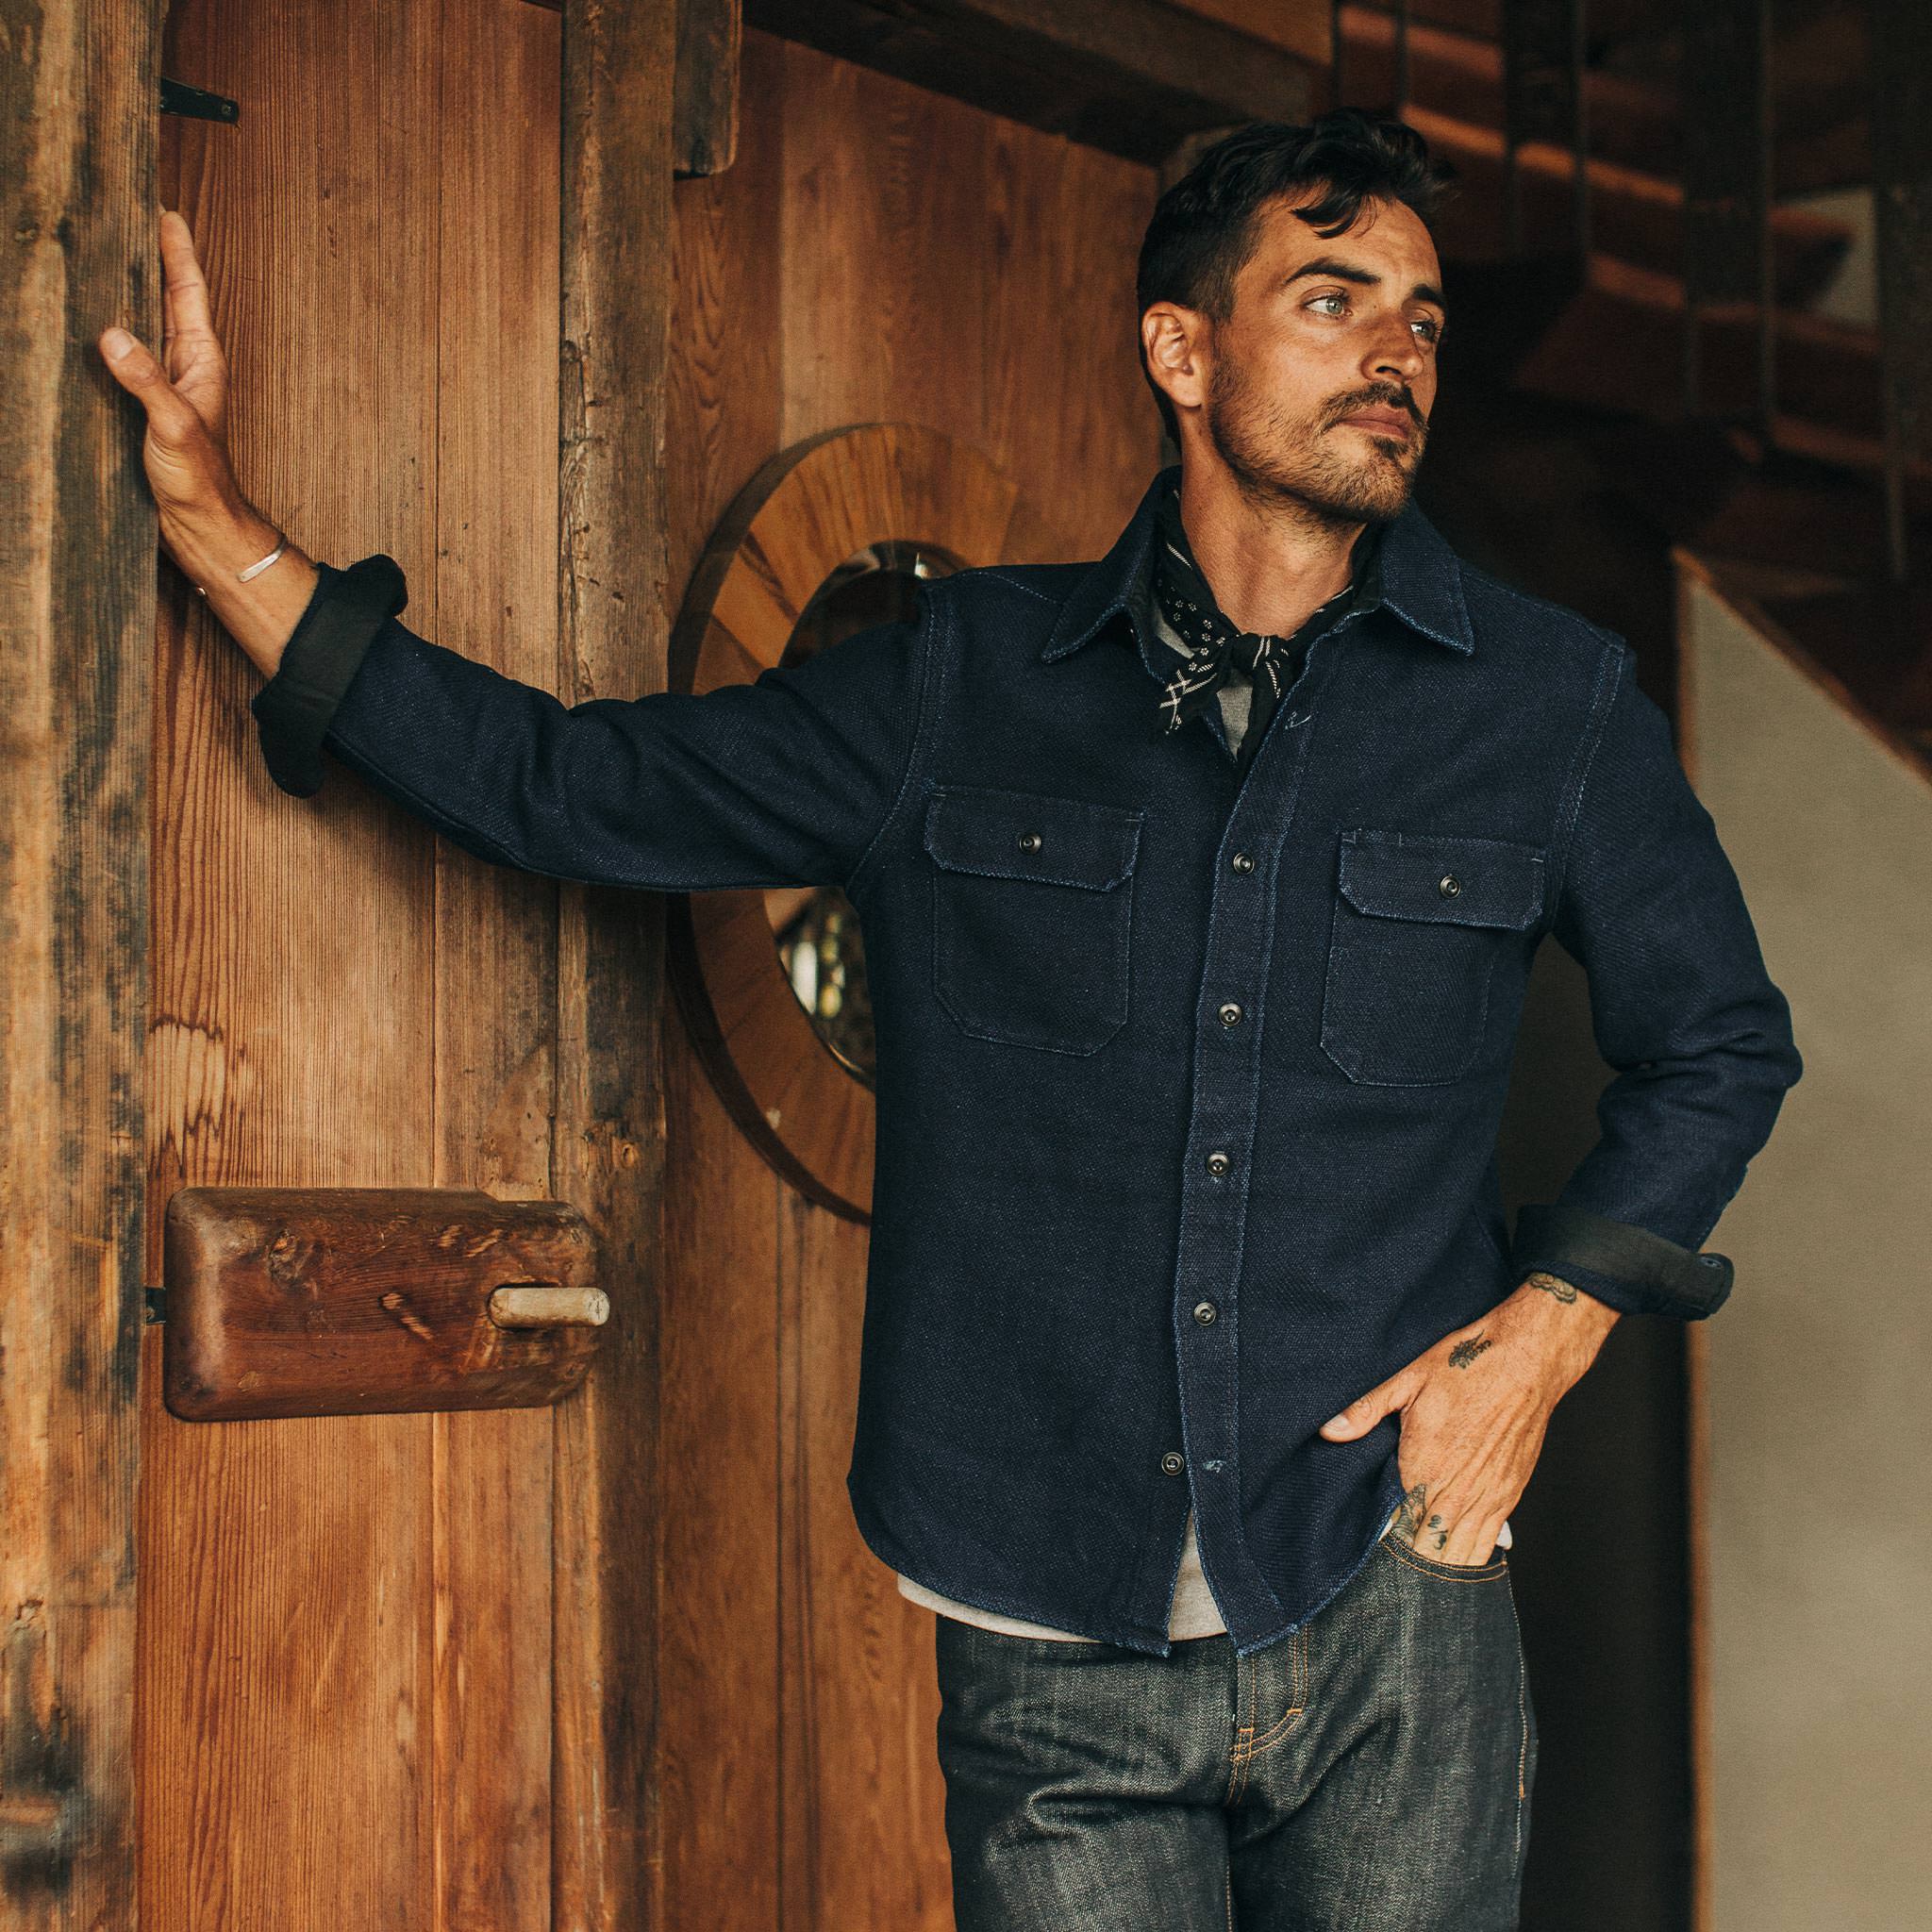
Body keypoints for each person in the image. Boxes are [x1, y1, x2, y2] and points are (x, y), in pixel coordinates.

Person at [100, 110, 1800, 1932]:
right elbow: (566, 790)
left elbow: (1720, 1044)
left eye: (1426, 317)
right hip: (1040, 1609)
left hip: (1389, 1582)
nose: (1400, 352)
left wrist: (1536, 1346)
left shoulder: (1548, 706)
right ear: (1181, 350)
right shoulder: (957, 682)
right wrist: (220, 534)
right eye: (1334, 299)